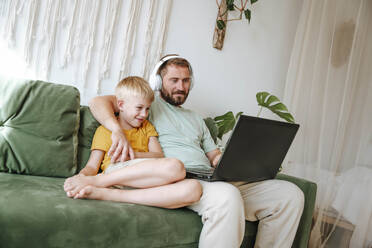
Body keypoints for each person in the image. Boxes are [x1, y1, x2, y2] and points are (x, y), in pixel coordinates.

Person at [89, 55, 305, 248]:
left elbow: (214, 156)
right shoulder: (147, 106)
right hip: (181, 178)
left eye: (185, 80)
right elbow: (97, 103)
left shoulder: (196, 119)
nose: (181, 86)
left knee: (289, 195)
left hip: (211, 176)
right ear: (158, 82)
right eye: (174, 80)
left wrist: (240, 161)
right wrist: (116, 130)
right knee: (226, 197)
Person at [64, 76, 202, 209]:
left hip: (145, 179)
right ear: (121, 105)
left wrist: (133, 155)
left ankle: (112, 195)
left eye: (147, 109)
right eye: (139, 108)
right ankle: (99, 181)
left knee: (194, 189)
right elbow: (92, 166)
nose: (144, 114)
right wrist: (81, 177)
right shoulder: (106, 131)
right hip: (116, 174)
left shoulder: (146, 127)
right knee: (176, 167)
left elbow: (158, 156)